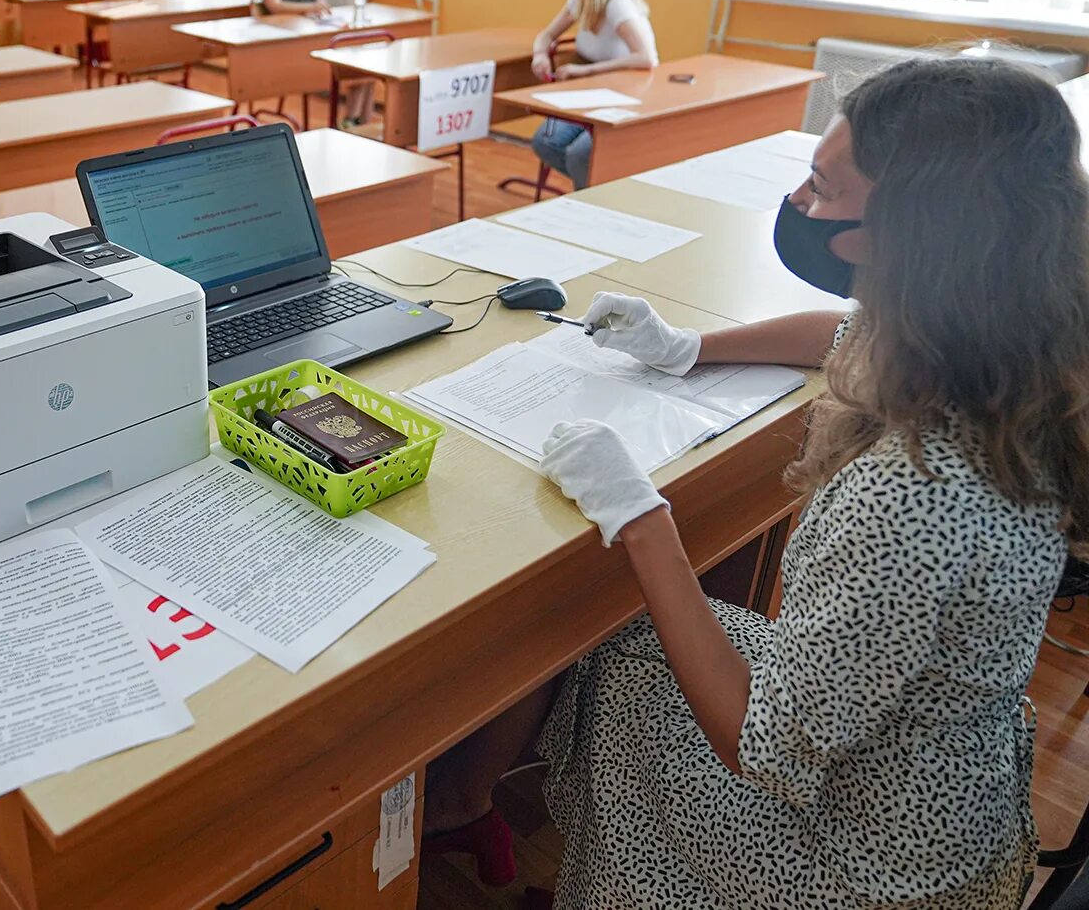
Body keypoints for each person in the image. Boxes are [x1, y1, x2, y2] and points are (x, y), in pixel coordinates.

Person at [424, 57, 1089, 908]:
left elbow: (761, 748)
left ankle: (477, 813)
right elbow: (849, 331)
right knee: (615, 633)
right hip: (932, 778)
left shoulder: (914, 495)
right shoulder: (1008, 352)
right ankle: (472, 803)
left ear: (918, 233)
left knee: (609, 638)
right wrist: (689, 348)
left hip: (864, 861)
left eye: (822, 187)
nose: (801, 207)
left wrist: (641, 515)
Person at [528, 0, 658, 189]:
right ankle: (595, 188)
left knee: (580, 156)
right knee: (546, 142)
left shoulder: (618, 6)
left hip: (626, 98)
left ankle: (591, 197)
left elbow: (647, 58)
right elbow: (546, 34)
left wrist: (585, 72)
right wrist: (540, 54)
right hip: (592, 94)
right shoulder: (581, 0)